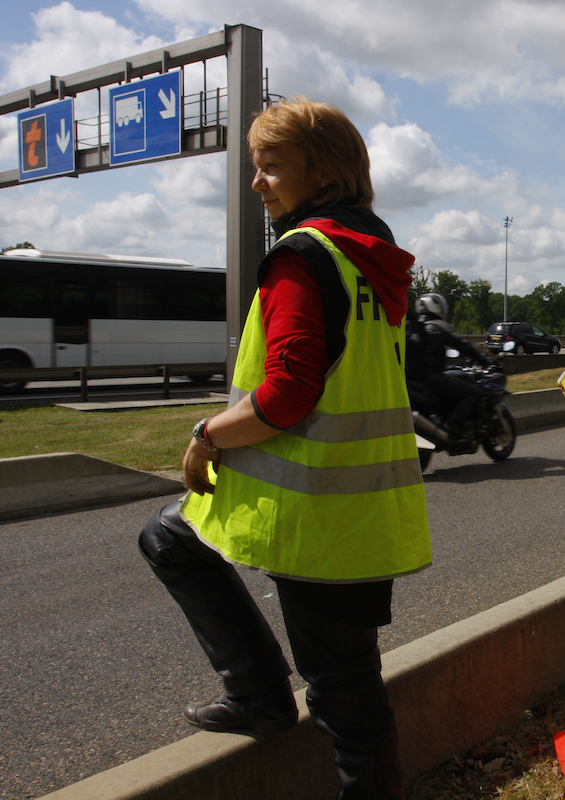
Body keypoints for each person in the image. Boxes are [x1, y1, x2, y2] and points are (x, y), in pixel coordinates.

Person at [138, 97, 430, 800]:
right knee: (169, 537)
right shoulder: (372, 257)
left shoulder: (304, 257)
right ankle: (258, 695)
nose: (256, 183)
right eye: (254, 167)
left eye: (271, 167)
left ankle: (264, 697)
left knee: (345, 696)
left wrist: (206, 435)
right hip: (355, 508)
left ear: (322, 172)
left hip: (315, 515)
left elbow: (289, 392)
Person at [405, 292, 495, 446]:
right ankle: (452, 424)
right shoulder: (438, 326)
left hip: (413, 379)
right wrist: (484, 360)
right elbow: (463, 345)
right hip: (433, 377)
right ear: (438, 307)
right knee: (475, 393)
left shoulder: (415, 328)